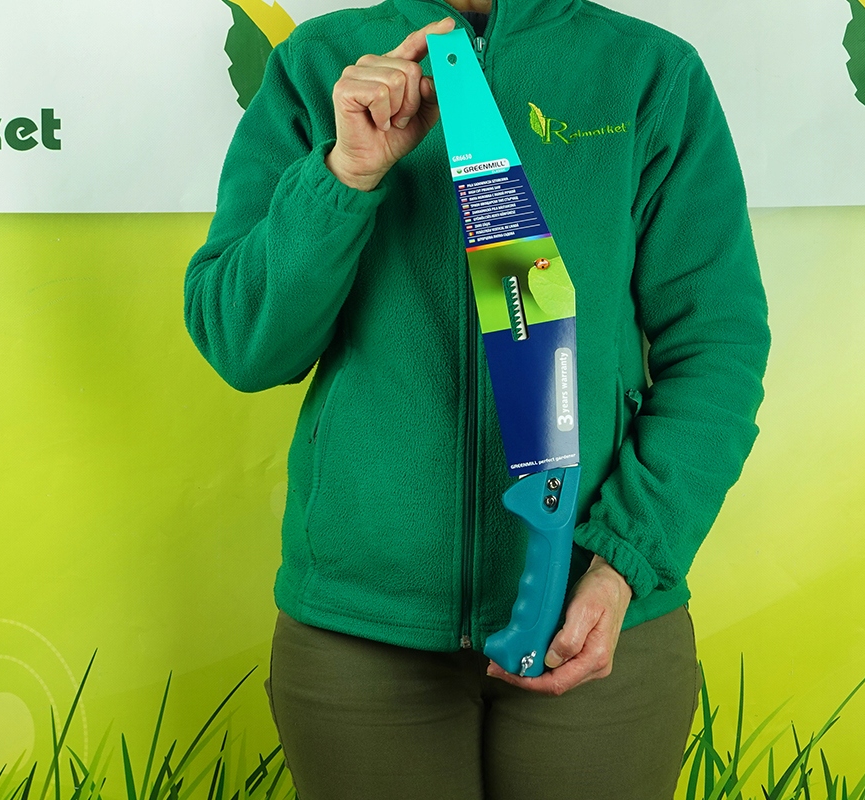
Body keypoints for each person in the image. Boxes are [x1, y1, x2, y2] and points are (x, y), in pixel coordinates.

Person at [183, 0, 769, 795]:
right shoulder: (318, 65)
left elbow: (718, 348)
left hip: (597, 616)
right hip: (362, 635)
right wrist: (345, 175)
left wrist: (625, 558)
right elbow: (242, 343)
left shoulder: (650, 74)